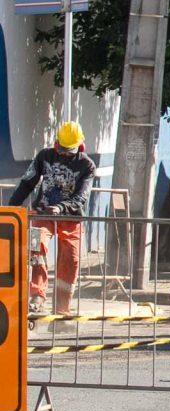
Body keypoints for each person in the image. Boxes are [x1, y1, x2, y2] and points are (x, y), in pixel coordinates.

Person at [10, 122, 96, 317]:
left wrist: (60, 207)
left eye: (69, 151)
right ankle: (37, 296)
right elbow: (27, 183)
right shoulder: (45, 156)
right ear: (56, 143)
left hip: (71, 217)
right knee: (36, 248)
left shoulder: (87, 165)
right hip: (43, 214)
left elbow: (81, 197)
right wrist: (11, 207)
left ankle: (62, 307)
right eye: (62, 149)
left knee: (70, 259)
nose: (65, 154)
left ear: (80, 146)